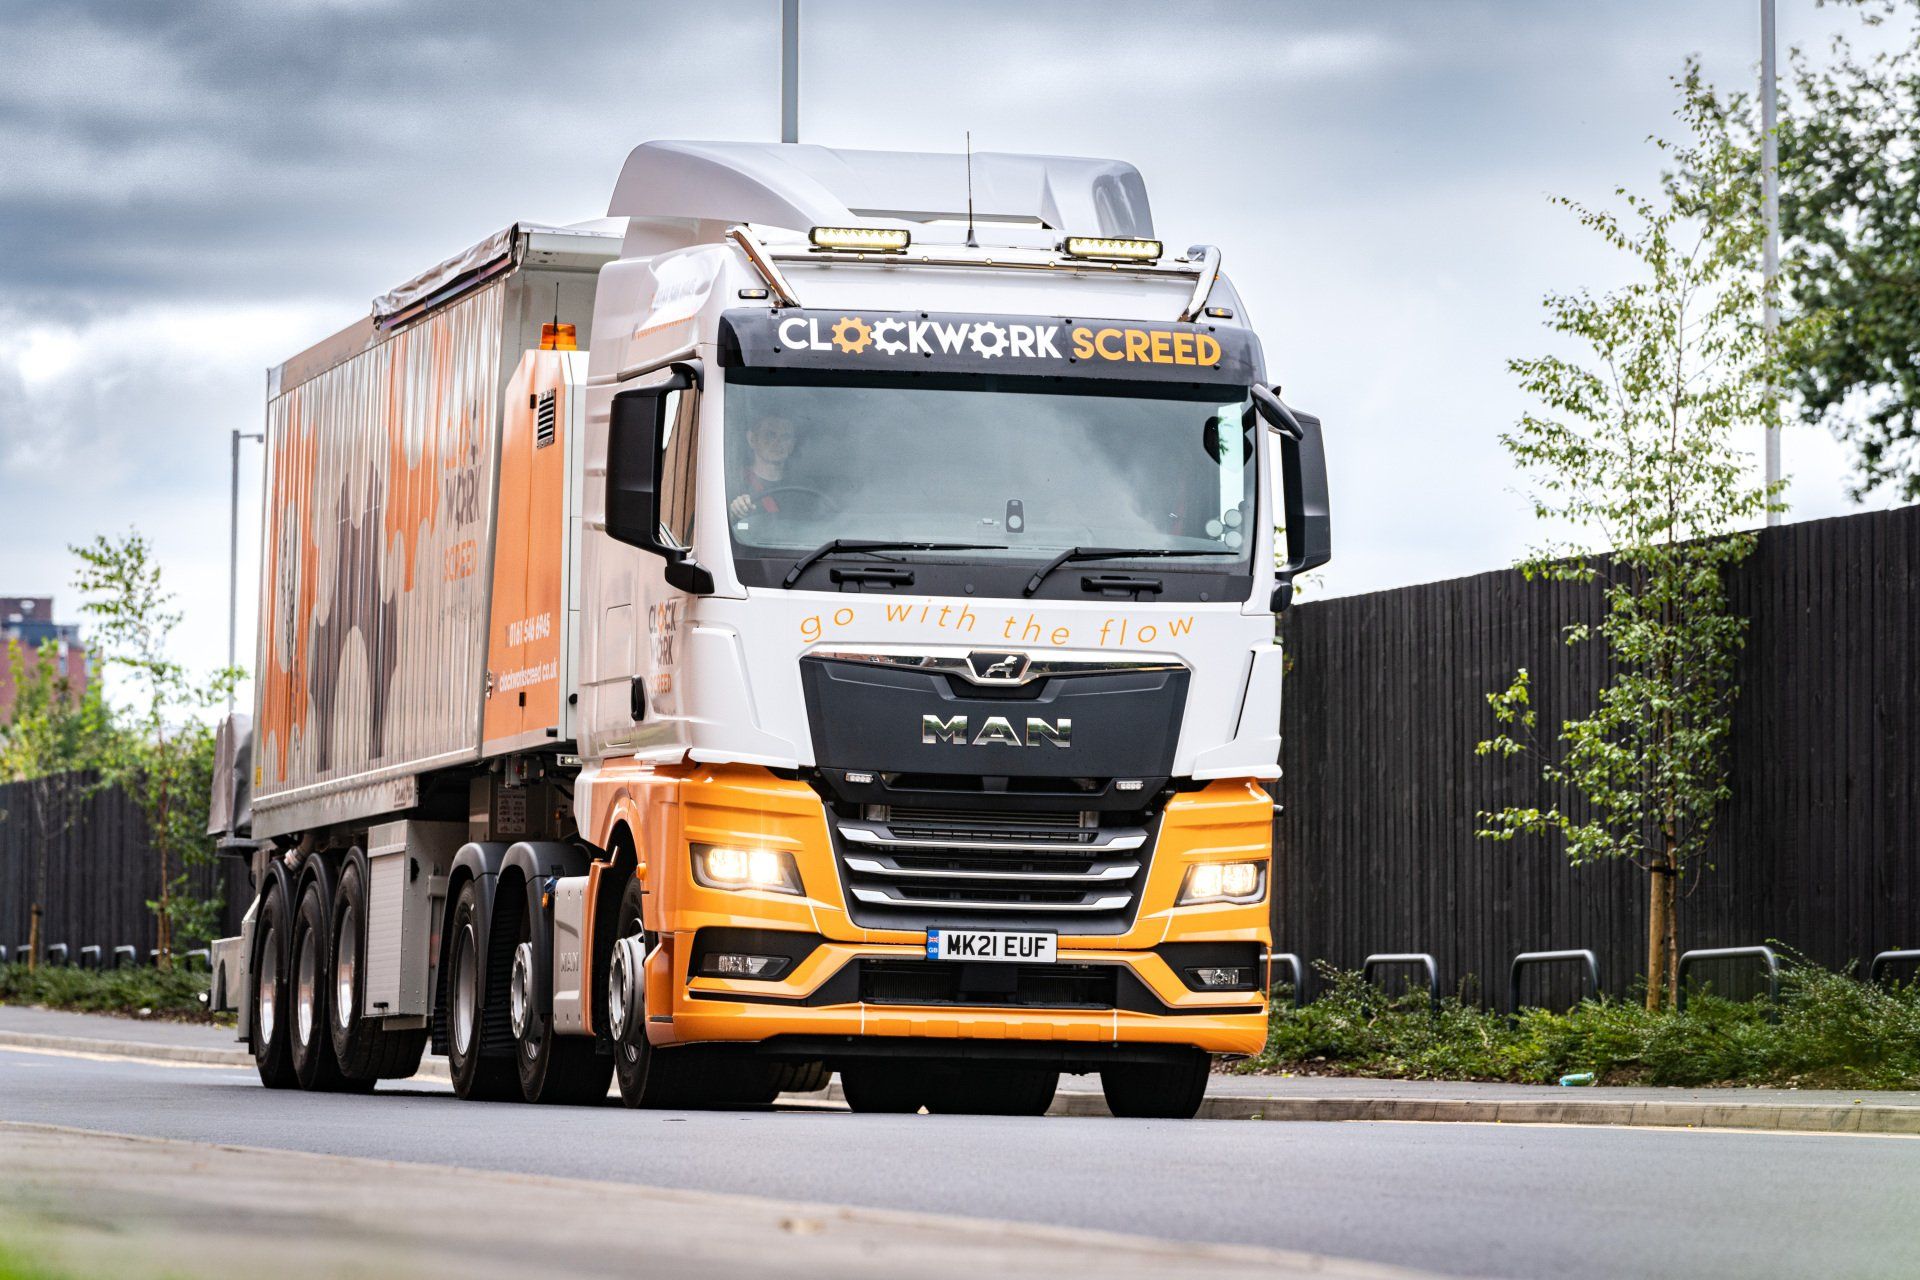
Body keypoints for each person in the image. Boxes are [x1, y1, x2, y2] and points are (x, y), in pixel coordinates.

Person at [729, 416, 798, 520]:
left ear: (792, 444)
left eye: (785, 437)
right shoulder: (733, 483)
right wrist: (734, 512)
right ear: (752, 439)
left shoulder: (802, 485)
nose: (778, 442)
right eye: (770, 435)